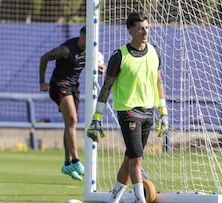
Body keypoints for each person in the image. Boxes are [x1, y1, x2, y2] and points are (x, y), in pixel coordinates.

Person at [87, 12, 169, 203]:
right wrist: (97, 116)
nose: (145, 31)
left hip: (149, 111)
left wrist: (163, 111)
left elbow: (159, 82)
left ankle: (113, 200)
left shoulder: (154, 51)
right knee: (137, 160)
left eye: (147, 27)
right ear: (130, 30)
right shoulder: (119, 55)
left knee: (130, 157)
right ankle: (140, 201)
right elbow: (107, 86)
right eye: (141, 28)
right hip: (128, 111)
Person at [39, 26, 106, 181]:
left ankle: (67, 163)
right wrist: (42, 82)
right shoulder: (66, 49)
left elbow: (97, 64)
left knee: (70, 124)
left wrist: (100, 68)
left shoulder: (91, 51)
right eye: (88, 40)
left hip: (73, 88)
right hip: (59, 86)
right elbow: (45, 57)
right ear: (82, 38)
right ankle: (75, 161)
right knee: (73, 121)